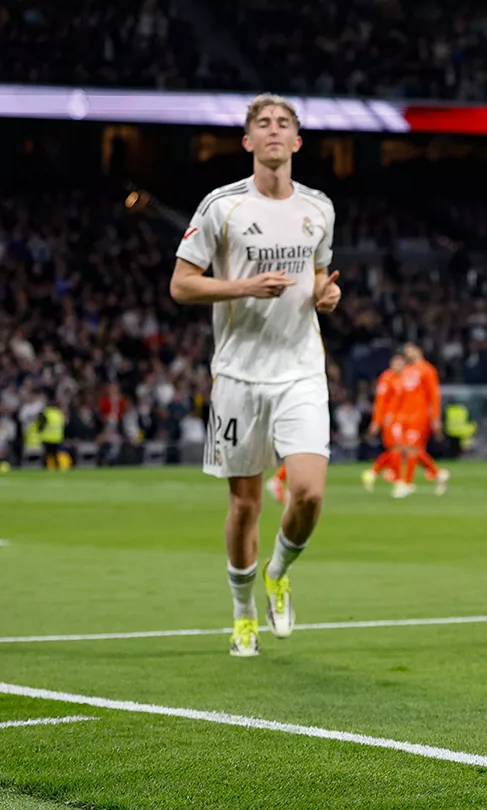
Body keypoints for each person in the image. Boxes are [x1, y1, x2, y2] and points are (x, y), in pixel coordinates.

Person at [169, 94, 340, 657]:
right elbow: (182, 284)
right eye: (261, 124)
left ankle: (279, 570)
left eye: (282, 124)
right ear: (247, 142)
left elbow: (317, 281)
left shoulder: (319, 207)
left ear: (296, 142)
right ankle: (242, 614)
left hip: (300, 370)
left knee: (310, 493)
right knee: (245, 505)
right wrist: (243, 286)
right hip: (239, 376)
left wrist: (327, 294)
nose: (272, 131)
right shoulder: (222, 207)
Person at [393, 343, 449, 498]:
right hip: (405, 416)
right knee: (410, 449)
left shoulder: (427, 370)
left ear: (419, 350)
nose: (408, 354)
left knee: (411, 448)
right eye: (406, 352)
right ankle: (438, 473)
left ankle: (407, 483)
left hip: (420, 415)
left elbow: (434, 395)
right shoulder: (407, 371)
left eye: (410, 350)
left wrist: (436, 418)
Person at [362, 353, 406, 492]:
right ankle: (397, 479)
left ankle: (374, 473)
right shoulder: (387, 378)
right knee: (397, 448)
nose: (398, 366)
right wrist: (377, 421)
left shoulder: (404, 378)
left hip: (401, 418)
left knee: (395, 449)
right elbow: (380, 402)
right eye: (395, 363)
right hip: (390, 419)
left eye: (400, 364)